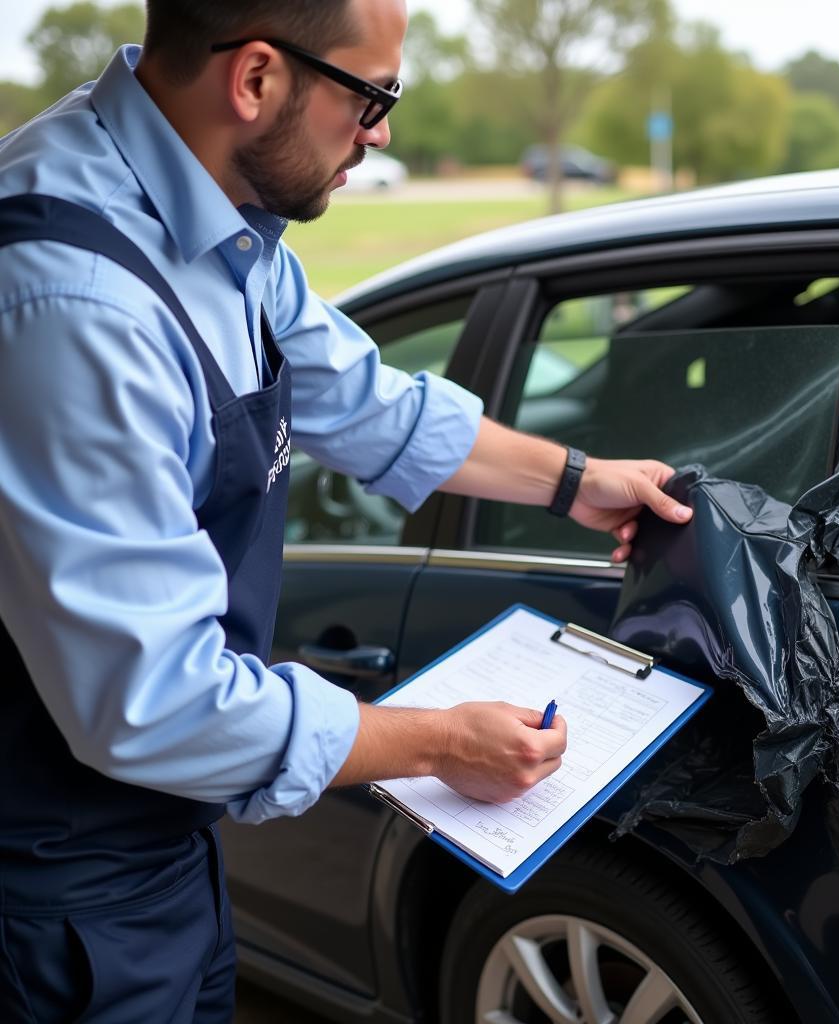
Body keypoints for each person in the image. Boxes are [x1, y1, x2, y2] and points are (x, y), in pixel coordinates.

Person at [0, 1, 692, 1020]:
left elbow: (365, 401)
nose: (382, 133)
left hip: (169, 840)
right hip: (58, 873)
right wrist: (442, 743)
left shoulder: (209, 208)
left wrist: (576, 478)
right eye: (372, 96)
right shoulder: (73, 303)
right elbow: (155, 702)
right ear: (256, 81)